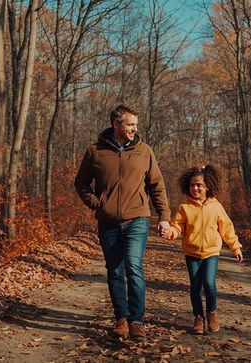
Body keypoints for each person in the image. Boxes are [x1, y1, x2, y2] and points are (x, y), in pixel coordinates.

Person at [74, 104, 171, 339]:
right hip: (107, 222)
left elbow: (157, 186)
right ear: (116, 125)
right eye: (130, 124)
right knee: (115, 271)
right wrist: (97, 204)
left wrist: (164, 218)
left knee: (133, 267)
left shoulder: (144, 151)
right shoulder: (95, 151)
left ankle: (137, 320)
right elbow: (81, 183)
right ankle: (121, 319)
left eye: (136, 125)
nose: (135, 129)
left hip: (137, 218)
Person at [160, 165, 243, 335]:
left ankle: (211, 313)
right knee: (195, 286)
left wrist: (235, 247)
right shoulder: (185, 207)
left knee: (209, 284)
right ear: (187, 186)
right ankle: (198, 317)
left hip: (211, 252)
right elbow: (178, 227)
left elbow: (227, 229)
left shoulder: (216, 206)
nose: (195, 188)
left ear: (208, 186)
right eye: (192, 185)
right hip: (192, 253)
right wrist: (170, 232)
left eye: (199, 185)